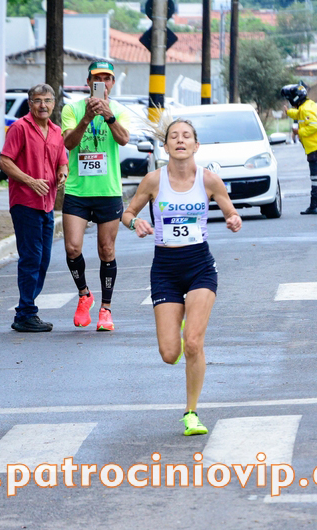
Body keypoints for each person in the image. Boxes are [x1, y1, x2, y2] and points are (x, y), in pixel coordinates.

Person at [120, 113, 241, 436]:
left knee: (193, 344)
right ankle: (183, 330)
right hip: (165, 270)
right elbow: (127, 213)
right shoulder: (153, 181)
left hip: (200, 266)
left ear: (196, 145)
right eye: (174, 136)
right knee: (169, 353)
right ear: (165, 146)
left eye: (186, 135)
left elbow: (230, 211)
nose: (180, 140)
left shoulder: (209, 180)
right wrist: (136, 223)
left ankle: (191, 412)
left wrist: (233, 219)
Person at [60, 60, 132, 332]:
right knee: (72, 248)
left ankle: (106, 309)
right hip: (78, 190)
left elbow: (124, 139)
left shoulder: (120, 110)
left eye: (107, 78)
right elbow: (68, 143)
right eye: (97, 78)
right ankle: (84, 294)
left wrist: (109, 116)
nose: (102, 82)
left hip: (107, 190)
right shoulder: (72, 109)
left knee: (106, 250)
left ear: (112, 83)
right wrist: (87, 118)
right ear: (88, 82)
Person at [0, 83, 68, 333]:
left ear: (53, 104)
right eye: (38, 100)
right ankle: (26, 313)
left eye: (47, 100)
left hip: (47, 204)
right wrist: (30, 181)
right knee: (31, 257)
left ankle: (26, 309)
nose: (43, 105)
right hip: (25, 202)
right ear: (30, 104)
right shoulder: (19, 128)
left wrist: (62, 173)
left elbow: (62, 162)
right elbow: (5, 161)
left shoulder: (56, 131)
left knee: (43, 259)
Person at [282, 83, 317, 214]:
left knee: (315, 178)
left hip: (316, 147)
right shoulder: (310, 104)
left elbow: (313, 126)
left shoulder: (305, 109)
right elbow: (299, 114)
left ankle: (313, 206)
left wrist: (299, 131)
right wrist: (288, 112)